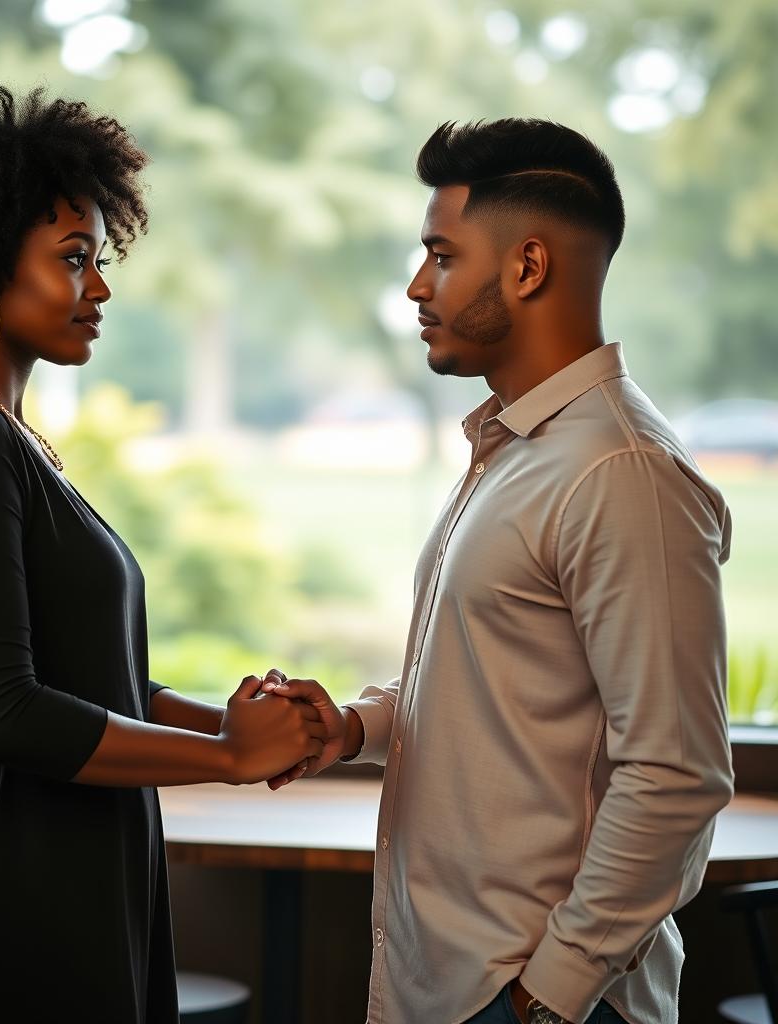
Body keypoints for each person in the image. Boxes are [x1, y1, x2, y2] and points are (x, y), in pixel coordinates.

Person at [0, 86, 326, 1024]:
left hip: (72, 867)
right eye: (72, 260)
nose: (98, 288)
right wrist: (223, 759)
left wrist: (230, 725)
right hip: (7, 889)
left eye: (98, 260)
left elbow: (90, 679)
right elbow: (5, 713)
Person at [261, 119, 734, 1024]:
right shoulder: (516, 449)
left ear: (526, 267)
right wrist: (354, 725)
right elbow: (499, 683)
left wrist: (548, 996)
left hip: (537, 999)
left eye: (441, 255)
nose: (416, 285)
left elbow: (675, 775)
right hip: (451, 984)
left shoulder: (620, 474)